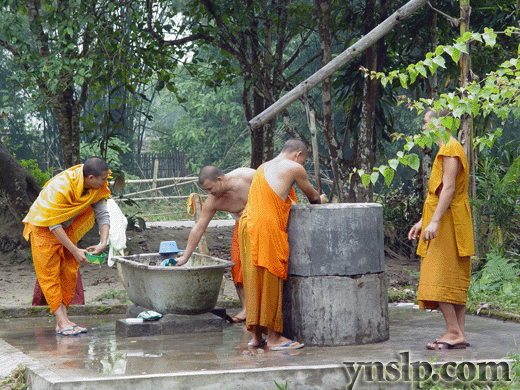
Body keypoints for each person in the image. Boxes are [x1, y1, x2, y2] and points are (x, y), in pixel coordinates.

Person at [239, 139, 326, 350]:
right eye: (304, 160)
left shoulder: (262, 167)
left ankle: (257, 337)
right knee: (270, 279)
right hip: (266, 228)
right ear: (298, 155)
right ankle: (276, 338)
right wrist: (322, 199)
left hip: (247, 225)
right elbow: (313, 198)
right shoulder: (294, 167)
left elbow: (279, 198)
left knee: (253, 280)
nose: (302, 164)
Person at [408, 109, 474, 350]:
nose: (424, 128)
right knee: (450, 274)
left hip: (447, 222)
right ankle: (458, 334)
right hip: (445, 217)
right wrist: (424, 221)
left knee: (438, 275)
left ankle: (454, 331)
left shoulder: (449, 147)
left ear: (440, 123)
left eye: (426, 122)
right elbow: (439, 193)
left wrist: (434, 222)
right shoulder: (449, 147)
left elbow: (448, 188)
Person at [22, 157, 111, 336]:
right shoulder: (61, 187)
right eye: (103, 179)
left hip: (64, 228)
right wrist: (75, 250)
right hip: (42, 228)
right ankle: (61, 321)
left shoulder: (95, 187)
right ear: (91, 178)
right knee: (50, 276)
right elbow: (53, 225)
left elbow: (102, 214)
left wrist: (103, 242)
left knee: (68, 271)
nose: (106, 182)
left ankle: (65, 321)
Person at [175, 165, 255, 323]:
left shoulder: (246, 176)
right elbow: (198, 228)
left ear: (219, 180)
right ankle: (247, 309)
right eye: (206, 190)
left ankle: (262, 309)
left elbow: (274, 184)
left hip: (262, 223)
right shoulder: (213, 201)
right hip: (242, 227)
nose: (209, 193)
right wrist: (185, 257)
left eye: (210, 189)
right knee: (237, 265)